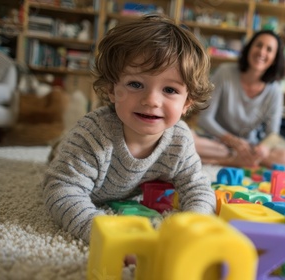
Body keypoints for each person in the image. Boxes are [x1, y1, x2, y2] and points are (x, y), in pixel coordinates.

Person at [42, 14, 216, 244]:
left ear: (187, 103)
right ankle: (57, 145)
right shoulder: (93, 134)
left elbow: (198, 187)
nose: (151, 100)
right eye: (136, 84)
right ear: (112, 90)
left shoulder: (179, 140)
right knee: (61, 153)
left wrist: (193, 227)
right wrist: (103, 232)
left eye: (170, 90)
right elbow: (60, 190)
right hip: (77, 156)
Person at [193, 30, 285, 168]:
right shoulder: (224, 72)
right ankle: (236, 160)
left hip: (249, 146)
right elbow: (204, 119)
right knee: (189, 140)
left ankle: (225, 160)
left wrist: (263, 149)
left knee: (284, 156)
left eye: (269, 49)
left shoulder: (275, 90)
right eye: (258, 45)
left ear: (275, 58)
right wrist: (233, 141)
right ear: (250, 48)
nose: (262, 52)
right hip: (217, 141)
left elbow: (272, 134)